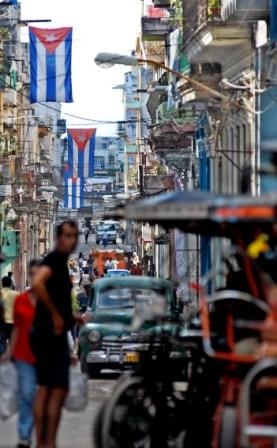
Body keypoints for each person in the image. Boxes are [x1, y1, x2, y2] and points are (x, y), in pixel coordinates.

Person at [31, 220, 82, 448]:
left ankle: (47, 441)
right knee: (52, 388)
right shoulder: (53, 260)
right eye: (68, 235)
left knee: (51, 389)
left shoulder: (61, 262)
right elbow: (38, 282)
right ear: (58, 238)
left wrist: (71, 316)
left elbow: (55, 295)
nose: (72, 240)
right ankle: (46, 441)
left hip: (53, 333)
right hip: (49, 334)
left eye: (75, 236)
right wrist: (55, 315)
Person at [2, 260, 40, 448]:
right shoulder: (21, 300)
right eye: (32, 274)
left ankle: (41, 433)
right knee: (27, 394)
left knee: (40, 397)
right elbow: (16, 328)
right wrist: (9, 353)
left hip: (45, 356)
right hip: (24, 355)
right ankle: (24, 435)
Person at [2, 276, 19, 340]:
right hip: (13, 321)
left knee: (2, 341)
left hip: (2, 321)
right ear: (10, 284)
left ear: (2, 283)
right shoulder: (16, 294)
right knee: (12, 340)